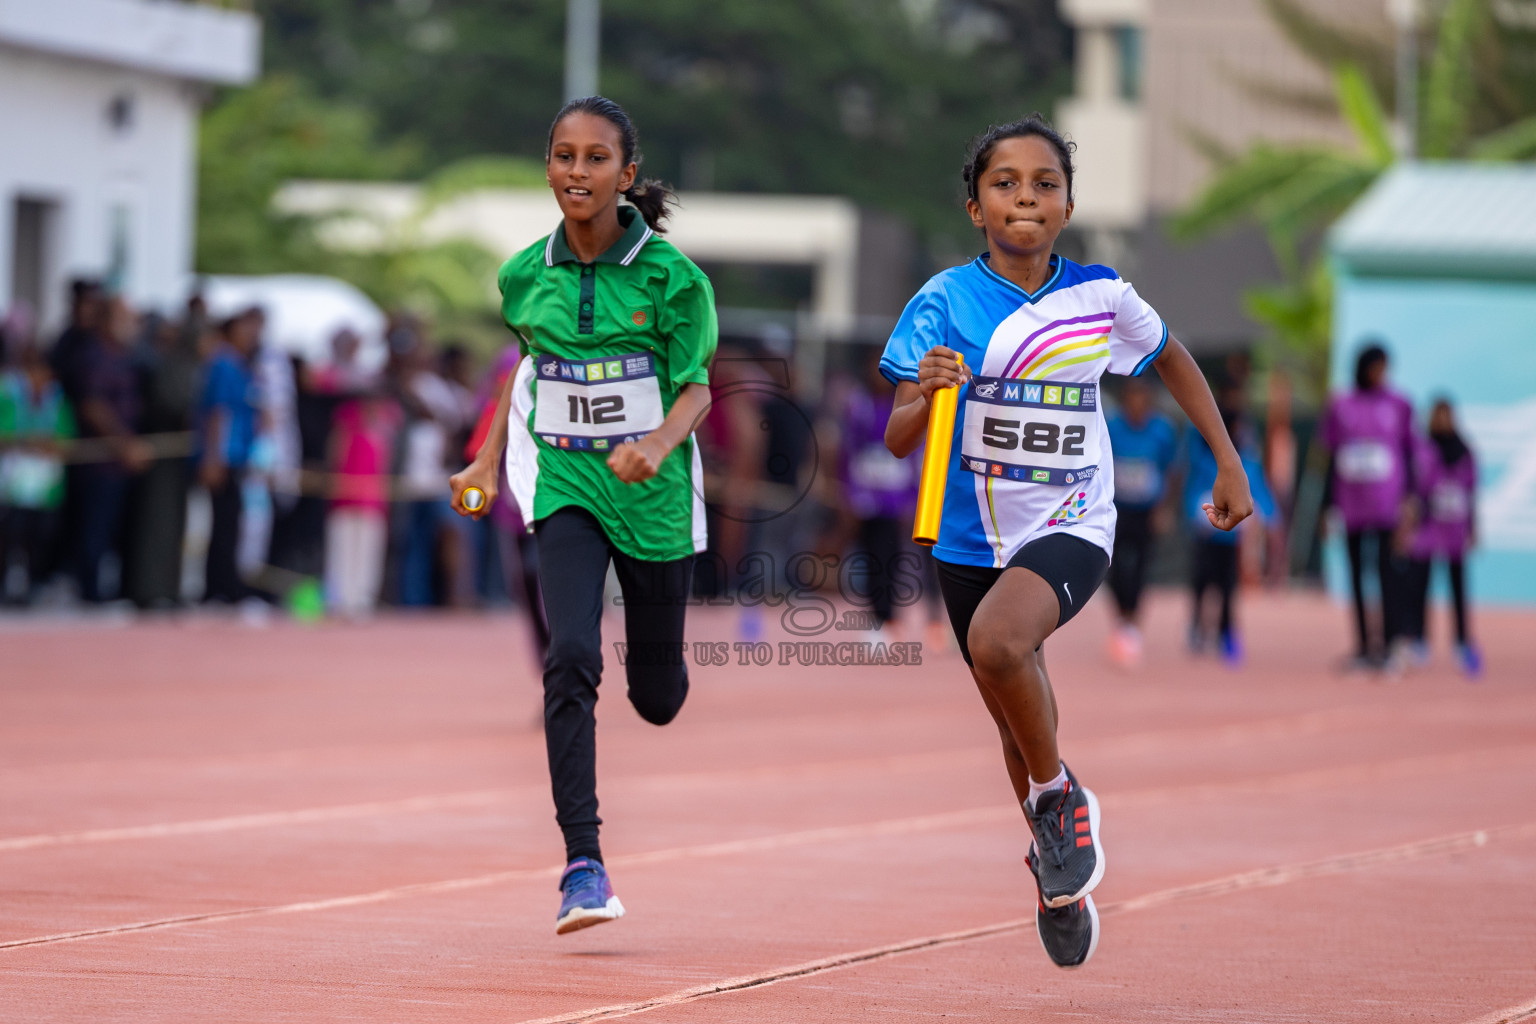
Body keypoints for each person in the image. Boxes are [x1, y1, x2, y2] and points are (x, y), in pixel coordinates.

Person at [880, 116, 1252, 969]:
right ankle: (1059, 877)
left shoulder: (1103, 295)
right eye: (1006, 183)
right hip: (967, 537)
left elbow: (1173, 359)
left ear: (1069, 205)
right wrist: (924, 391)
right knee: (1014, 720)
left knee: (1000, 642)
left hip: (1073, 520)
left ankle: (1059, 800)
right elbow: (901, 434)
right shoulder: (941, 300)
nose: (1026, 197)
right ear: (975, 205)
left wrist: (1229, 464)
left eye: (1045, 184)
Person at [449, 96, 716, 935]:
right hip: (563, 485)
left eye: (595, 158)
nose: (576, 171)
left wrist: (660, 445)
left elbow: (700, 388)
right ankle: (584, 865)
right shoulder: (525, 274)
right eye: (563, 156)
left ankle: (660, 673)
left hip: (654, 499)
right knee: (568, 655)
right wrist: (488, 460)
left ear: (625, 175)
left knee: (658, 696)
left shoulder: (673, 278)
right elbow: (526, 370)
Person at [1320, 343, 1416, 670]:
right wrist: (1326, 506)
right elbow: (1330, 456)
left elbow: (1409, 453)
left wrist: (1411, 499)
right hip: (1352, 504)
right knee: (1357, 576)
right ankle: (1363, 646)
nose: (1382, 374)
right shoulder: (1340, 404)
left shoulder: (1399, 404)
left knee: (1389, 573)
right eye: (1377, 367)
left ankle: (1389, 645)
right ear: (1364, 367)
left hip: (1387, 504)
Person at [1183, 391, 1275, 666]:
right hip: (1206, 532)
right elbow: (1192, 489)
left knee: (1227, 586)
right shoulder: (1202, 458)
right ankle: (1198, 628)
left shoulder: (1246, 460)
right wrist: (1195, 515)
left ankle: (1226, 633)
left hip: (1230, 537)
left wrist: (1270, 519)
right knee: (1201, 581)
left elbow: (1258, 489)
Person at [1103, 376, 1177, 667]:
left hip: (1146, 509)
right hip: (1116, 508)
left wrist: (1164, 508)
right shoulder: (1111, 426)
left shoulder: (1162, 431)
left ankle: (1132, 623)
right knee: (1113, 568)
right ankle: (1122, 617)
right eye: (1131, 397)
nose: (1136, 403)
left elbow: (1172, 470)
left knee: (1141, 566)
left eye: (1142, 397)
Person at [1404, 398, 1482, 678]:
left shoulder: (1465, 452)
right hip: (1428, 527)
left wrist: (1474, 528)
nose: (1441, 421)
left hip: (1455, 528)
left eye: (1446, 415)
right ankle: (1419, 641)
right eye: (1437, 415)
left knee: (1458, 588)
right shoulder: (1424, 449)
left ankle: (1462, 642)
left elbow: (1472, 493)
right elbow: (1416, 487)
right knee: (1419, 586)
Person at [0, 345, 75, 604]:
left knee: (40, 537)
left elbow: (65, 438)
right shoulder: (8, 394)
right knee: (9, 536)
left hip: (45, 484)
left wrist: (49, 446)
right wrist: (27, 442)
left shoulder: (56, 398)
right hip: (12, 481)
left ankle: (32, 585)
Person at [196, 312, 262, 604]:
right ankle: (219, 587)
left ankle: (222, 583)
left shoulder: (240, 363)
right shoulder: (224, 363)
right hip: (225, 455)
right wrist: (213, 457)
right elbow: (218, 413)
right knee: (223, 522)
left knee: (230, 521)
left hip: (238, 455)